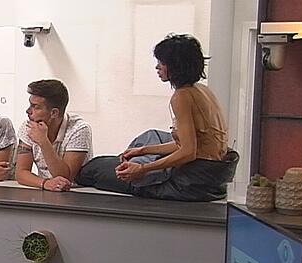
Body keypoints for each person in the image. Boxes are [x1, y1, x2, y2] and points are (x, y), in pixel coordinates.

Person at [76, 34, 239, 201]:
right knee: (142, 143)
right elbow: (192, 145)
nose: (157, 67)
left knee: (94, 170)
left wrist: (143, 169)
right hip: (212, 179)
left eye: (162, 63)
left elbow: (188, 152)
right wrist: (143, 150)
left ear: (176, 66)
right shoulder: (202, 90)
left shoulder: (182, 97)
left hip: (192, 182)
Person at [15, 79, 93, 192]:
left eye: (35, 106)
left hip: (77, 192)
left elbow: (65, 178)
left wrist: (43, 142)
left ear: (54, 113)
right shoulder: (29, 126)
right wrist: (45, 183)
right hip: (46, 189)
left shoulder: (79, 129)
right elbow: (21, 173)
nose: (28, 111)